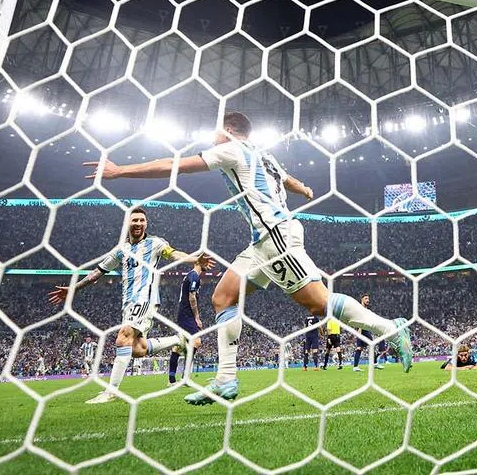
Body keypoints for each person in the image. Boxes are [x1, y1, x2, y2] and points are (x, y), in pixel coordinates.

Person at [83, 111, 413, 406]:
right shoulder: (264, 155)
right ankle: (226, 379)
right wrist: (303, 189)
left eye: (216, 132)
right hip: (262, 242)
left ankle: (389, 328)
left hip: (276, 237)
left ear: (228, 130)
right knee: (223, 297)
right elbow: (288, 180)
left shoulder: (231, 149)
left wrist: (119, 171)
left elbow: (175, 166)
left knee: (317, 303)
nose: (212, 138)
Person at [47, 207, 211, 403]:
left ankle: (111, 391)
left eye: (142, 220)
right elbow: (97, 273)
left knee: (123, 337)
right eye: (135, 220)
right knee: (138, 349)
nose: (138, 223)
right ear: (127, 223)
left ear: (146, 224)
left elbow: (175, 254)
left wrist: (194, 259)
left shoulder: (155, 243)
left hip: (145, 298)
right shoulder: (121, 250)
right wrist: (73, 289)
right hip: (128, 302)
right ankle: (178, 340)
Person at [169, 260, 204, 384]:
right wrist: (197, 318)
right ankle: (185, 376)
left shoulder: (190, 275)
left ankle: (172, 379)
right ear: (198, 262)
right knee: (196, 341)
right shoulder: (194, 276)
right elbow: (192, 297)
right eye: (205, 261)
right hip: (186, 315)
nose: (208, 264)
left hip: (184, 315)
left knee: (178, 346)